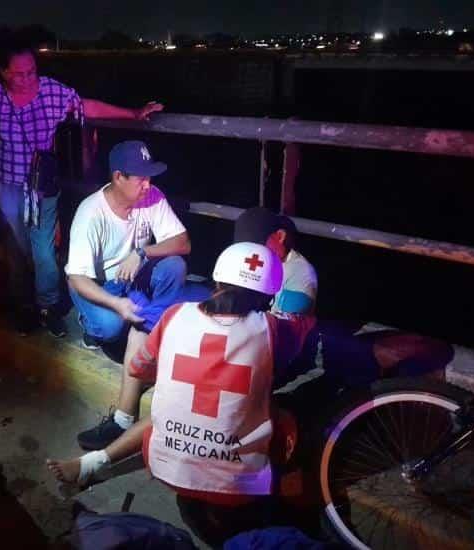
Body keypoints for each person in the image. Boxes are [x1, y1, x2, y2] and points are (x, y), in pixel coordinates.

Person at [48, 242, 295, 548]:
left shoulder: (176, 314)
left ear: (216, 283)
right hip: (240, 488)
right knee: (280, 416)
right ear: (269, 297)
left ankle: (93, 462)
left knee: (171, 411)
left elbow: (138, 368)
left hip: (166, 469)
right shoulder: (273, 328)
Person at [0, 27, 164, 337]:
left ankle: (47, 306)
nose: (27, 79)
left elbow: (86, 106)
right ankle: (24, 306)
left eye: (31, 71)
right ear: (3, 71)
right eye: (19, 74)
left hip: (43, 185)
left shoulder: (52, 91)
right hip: (6, 185)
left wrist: (132, 113)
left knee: (45, 252)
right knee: (16, 248)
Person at [67, 140, 191, 450]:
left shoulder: (151, 197)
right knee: (109, 327)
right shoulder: (90, 214)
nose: (148, 184)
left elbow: (183, 243)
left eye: (150, 177)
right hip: (98, 285)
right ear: (118, 177)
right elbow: (77, 276)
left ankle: (146, 329)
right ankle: (92, 326)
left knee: (174, 265)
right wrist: (116, 303)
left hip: (133, 276)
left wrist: (142, 251)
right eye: (141, 178)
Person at [233, 207, 318, 383]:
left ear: (280, 236)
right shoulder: (249, 260)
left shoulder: (300, 274)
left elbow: (284, 333)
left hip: (282, 354)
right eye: (247, 248)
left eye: (258, 245)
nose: (252, 254)